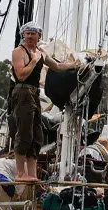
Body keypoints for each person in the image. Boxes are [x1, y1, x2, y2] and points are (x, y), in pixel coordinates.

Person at [9, 21, 78, 182]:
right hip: (22, 91)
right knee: (24, 132)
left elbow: (57, 66)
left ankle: (31, 174)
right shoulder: (19, 52)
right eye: (28, 33)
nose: (31, 36)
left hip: (33, 93)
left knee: (36, 135)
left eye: (34, 33)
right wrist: (33, 61)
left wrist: (74, 65)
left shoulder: (40, 51)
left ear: (39, 35)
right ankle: (20, 173)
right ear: (23, 35)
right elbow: (20, 75)